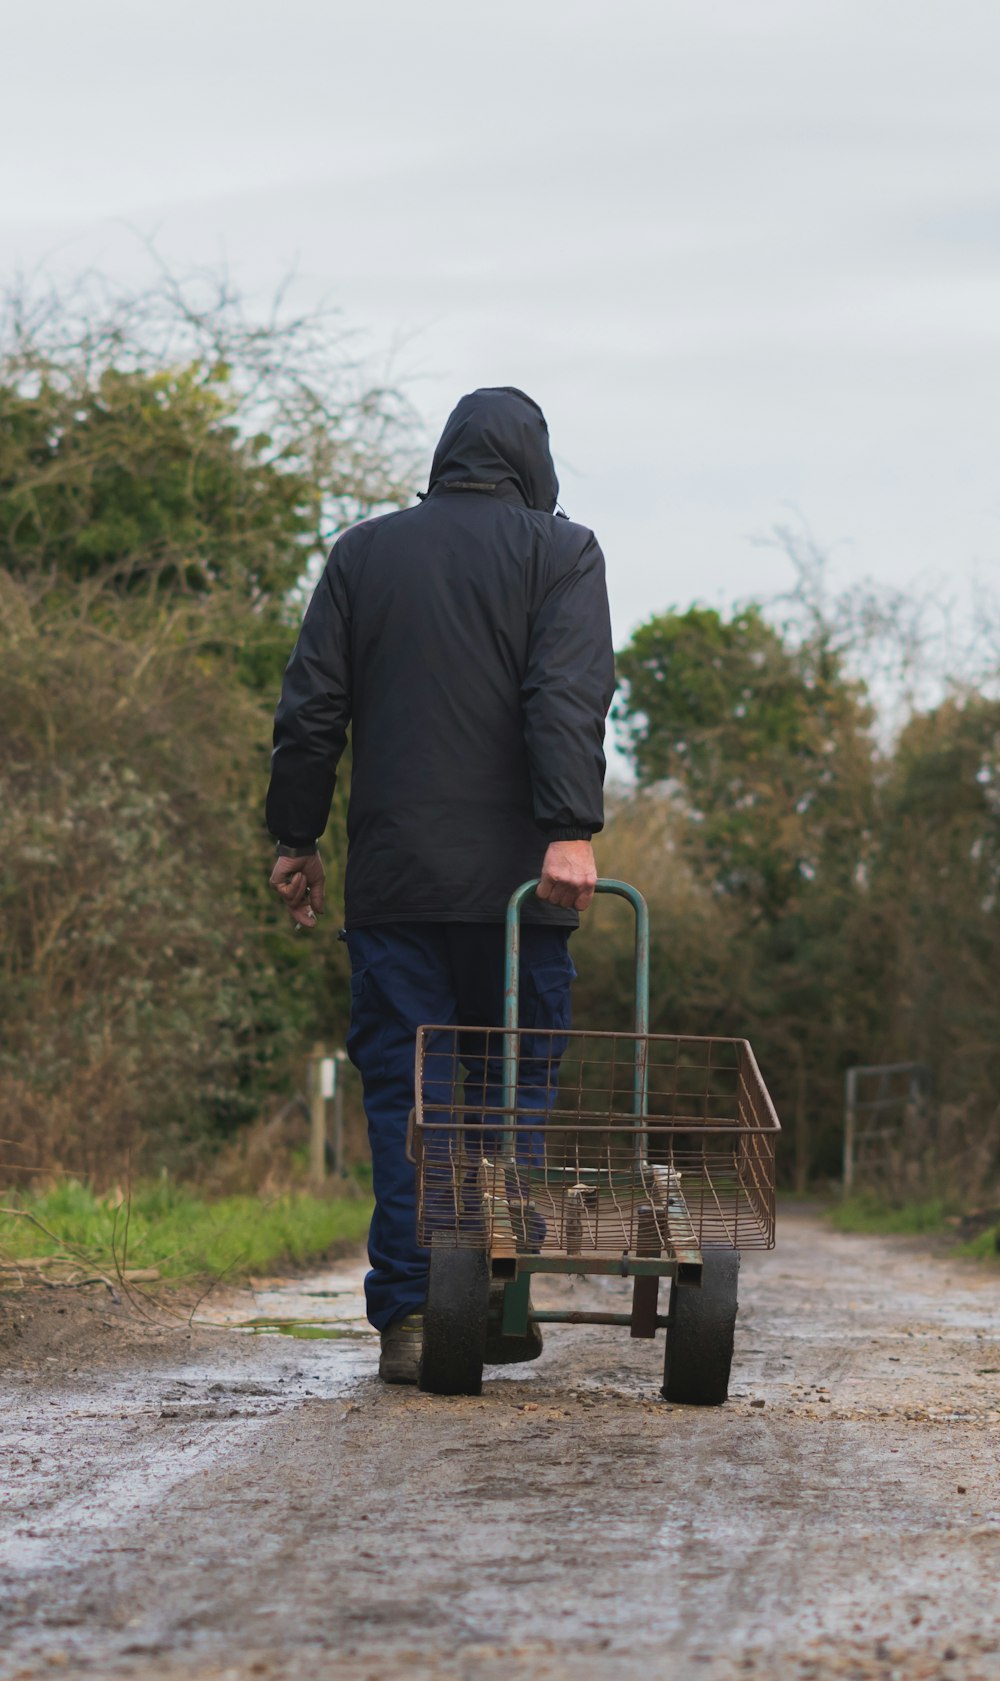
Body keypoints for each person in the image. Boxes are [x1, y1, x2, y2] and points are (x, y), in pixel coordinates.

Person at [265, 386, 615, 1382]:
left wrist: (296, 835)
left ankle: (417, 1316)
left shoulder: (365, 553)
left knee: (410, 1093)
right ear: (533, 463)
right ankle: (497, 1289)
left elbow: (311, 706)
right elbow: (565, 690)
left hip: (396, 881)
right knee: (514, 1086)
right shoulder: (562, 552)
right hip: (524, 889)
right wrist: (569, 828)